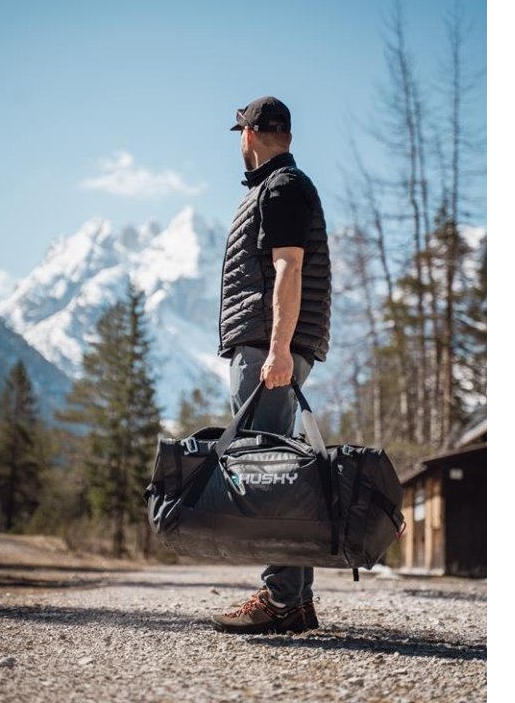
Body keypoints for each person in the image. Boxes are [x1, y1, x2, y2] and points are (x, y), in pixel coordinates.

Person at [210, 96, 332, 634]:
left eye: (241, 132)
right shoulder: (280, 186)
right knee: (279, 467)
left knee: (268, 471)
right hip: (269, 344)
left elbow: (288, 267)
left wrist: (279, 349)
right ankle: (295, 601)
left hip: (267, 347)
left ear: (251, 134)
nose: (240, 141)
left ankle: (279, 599)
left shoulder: (280, 187)